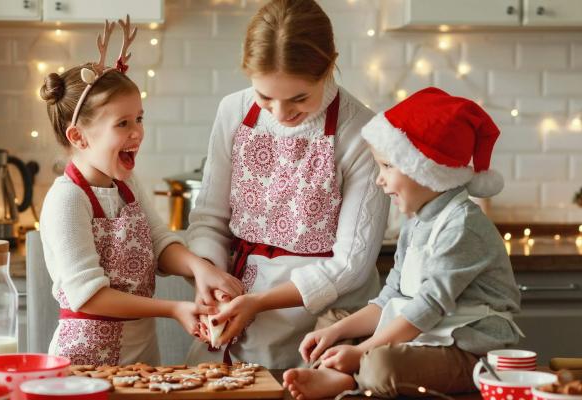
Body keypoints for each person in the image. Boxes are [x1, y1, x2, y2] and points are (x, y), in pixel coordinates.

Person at [185, 0, 390, 368]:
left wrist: (259, 303)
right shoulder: (233, 111)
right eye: (265, 97)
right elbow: (209, 220)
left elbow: (351, 265)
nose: (281, 114)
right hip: (234, 310)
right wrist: (210, 275)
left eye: (299, 98)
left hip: (327, 326)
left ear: (329, 66)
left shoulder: (361, 131)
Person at [283, 87, 523, 399]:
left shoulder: (462, 226)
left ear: (426, 171)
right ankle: (340, 372)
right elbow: (391, 299)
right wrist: (336, 332)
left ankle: (350, 378)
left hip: (469, 351)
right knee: (333, 320)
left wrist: (364, 351)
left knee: (381, 363)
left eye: (387, 166)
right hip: (424, 335)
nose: (379, 179)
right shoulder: (417, 221)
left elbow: (428, 306)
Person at [38, 17, 242, 366]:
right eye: (122, 123)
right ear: (79, 137)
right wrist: (173, 308)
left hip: (142, 356)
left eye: (139, 119)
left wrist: (198, 267)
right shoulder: (67, 199)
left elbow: (159, 243)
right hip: (86, 363)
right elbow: (89, 297)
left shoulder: (127, 185)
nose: (137, 133)